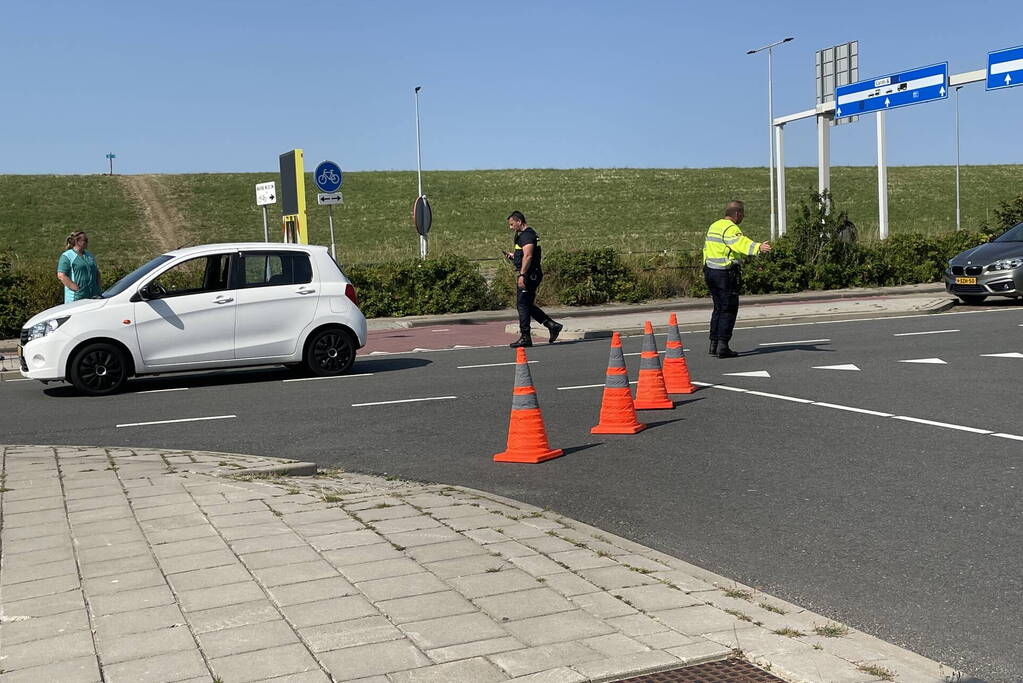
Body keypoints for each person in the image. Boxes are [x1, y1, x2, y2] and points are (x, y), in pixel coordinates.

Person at [702, 201, 770, 358]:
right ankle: (723, 346)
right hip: (725, 274)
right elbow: (739, 243)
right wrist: (758, 247)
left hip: (710, 271)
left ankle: (713, 344)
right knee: (729, 309)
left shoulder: (715, 225)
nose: (743, 217)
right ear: (737, 214)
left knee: (718, 308)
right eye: (743, 214)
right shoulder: (731, 228)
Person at [504, 211, 562, 348]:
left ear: (519, 221)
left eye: (512, 224)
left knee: (522, 305)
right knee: (527, 304)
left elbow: (528, 256)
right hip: (530, 273)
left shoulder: (527, 235)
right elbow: (525, 254)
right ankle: (552, 325)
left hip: (529, 275)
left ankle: (526, 337)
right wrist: (515, 257)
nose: (511, 227)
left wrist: (522, 275)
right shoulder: (525, 235)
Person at [57, 231, 101, 303]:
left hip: (94, 296)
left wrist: (98, 288)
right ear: (77, 241)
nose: (87, 242)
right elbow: (61, 275)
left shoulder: (89, 255)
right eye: (85, 240)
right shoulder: (67, 256)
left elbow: (97, 272)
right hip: (76, 298)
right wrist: (76, 289)